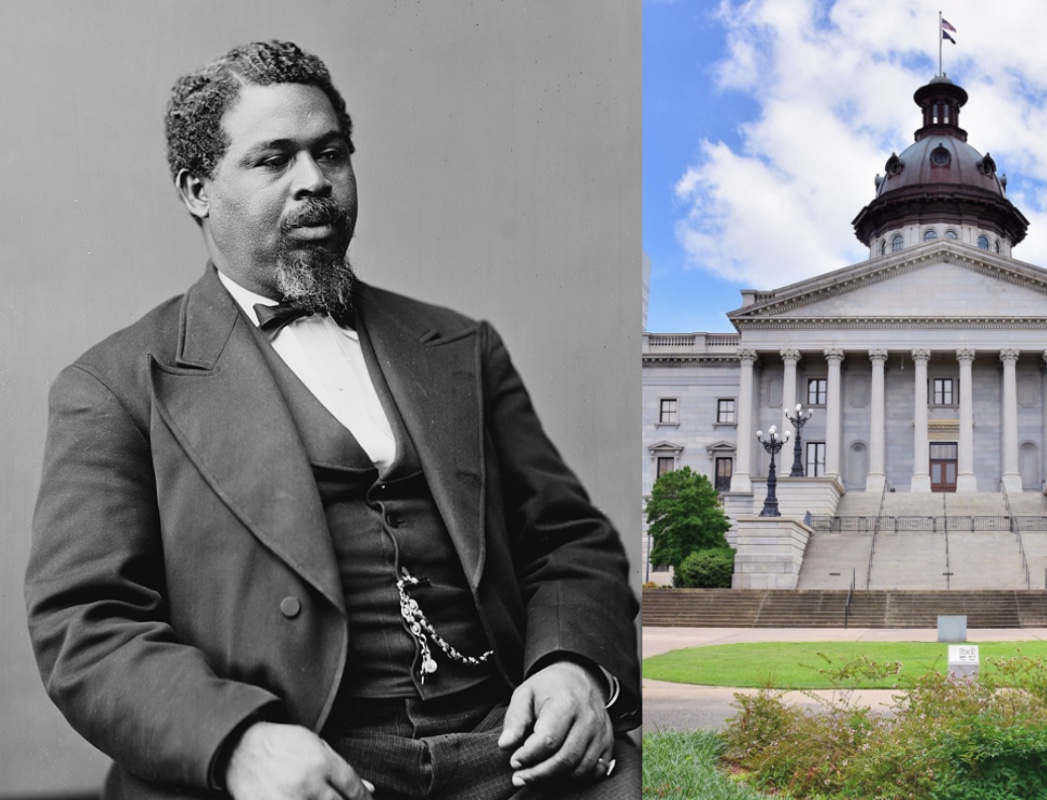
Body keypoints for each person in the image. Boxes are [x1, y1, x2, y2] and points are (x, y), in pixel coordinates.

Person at [25, 40, 639, 800]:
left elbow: (569, 540)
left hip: (511, 748)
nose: (314, 182)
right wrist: (236, 742)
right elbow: (87, 624)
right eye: (273, 160)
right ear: (196, 189)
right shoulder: (114, 385)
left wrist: (572, 666)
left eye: (331, 154)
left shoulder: (461, 346)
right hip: (300, 763)